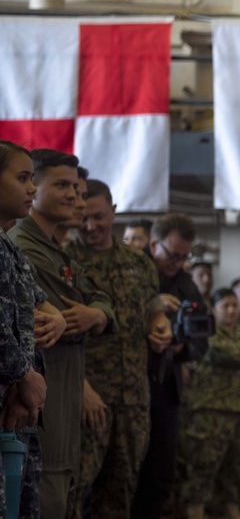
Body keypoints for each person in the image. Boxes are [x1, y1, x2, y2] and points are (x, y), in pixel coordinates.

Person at [9, 149, 116, 519]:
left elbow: (100, 300)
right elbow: (62, 322)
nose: (74, 195)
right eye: (62, 185)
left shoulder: (54, 250)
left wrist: (97, 313)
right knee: (47, 498)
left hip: (60, 393)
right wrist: (88, 314)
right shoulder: (24, 247)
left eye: (76, 187)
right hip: (41, 395)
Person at [65, 179, 170, 519]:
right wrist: (80, 387)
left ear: (114, 211)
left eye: (98, 217)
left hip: (134, 397)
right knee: (73, 488)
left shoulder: (138, 262)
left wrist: (159, 324)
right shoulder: (65, 260)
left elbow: (152, 304)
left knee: (121, 490)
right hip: (87, 395)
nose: (90, 226)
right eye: (84, 217)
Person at [132, 213, 209, 519]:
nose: (177, 262)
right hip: (123, 383)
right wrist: (150, 305)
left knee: (161, 471)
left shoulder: (186, 286)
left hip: (164, 389)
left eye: (184, 257)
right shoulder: (129, 271)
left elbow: (202, 340)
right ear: (153, 244)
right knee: (120, 470)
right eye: (172, 255)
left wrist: (180, 346)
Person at [0, 140, 61, 519]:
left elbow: (41, 301)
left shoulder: (9, 249)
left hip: (16, 411)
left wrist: (54, 316)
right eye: (22, 178)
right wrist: (23, 374)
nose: (32, 188)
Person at [180, 288, 240, 519]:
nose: (231, 310)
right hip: (212, 407)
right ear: (214, 309)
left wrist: (239, 353)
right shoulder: (206, 332)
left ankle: (233, 507)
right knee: (204, 461)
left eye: (234, 305)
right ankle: (195, 508)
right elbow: (217, 352)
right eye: (225, 306)